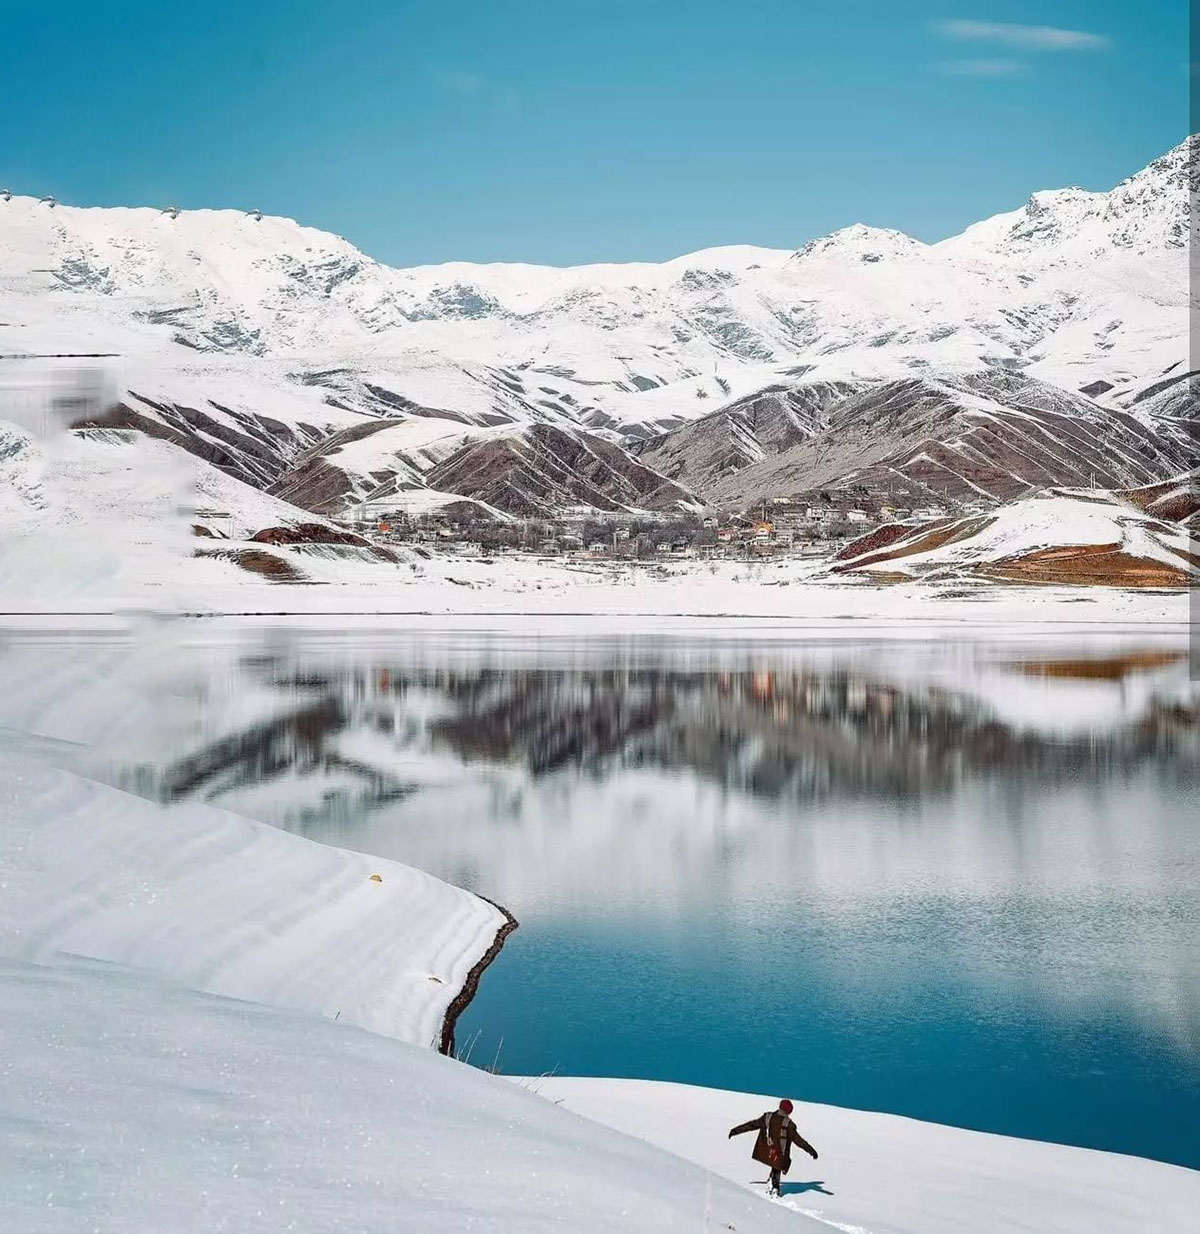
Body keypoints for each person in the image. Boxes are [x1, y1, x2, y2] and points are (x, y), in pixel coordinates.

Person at [728, 1099, 818, 1197]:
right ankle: (775, 1188)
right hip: (779, 1155)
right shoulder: (788, 1124)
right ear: (789, 1111)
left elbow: (751, 1125)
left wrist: (735, 1131)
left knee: (775, 1165)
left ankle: (772, 1183)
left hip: (766, 1151)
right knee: (777, 1166)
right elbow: (799, 1141)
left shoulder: (768, 1117)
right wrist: (811, 1150)